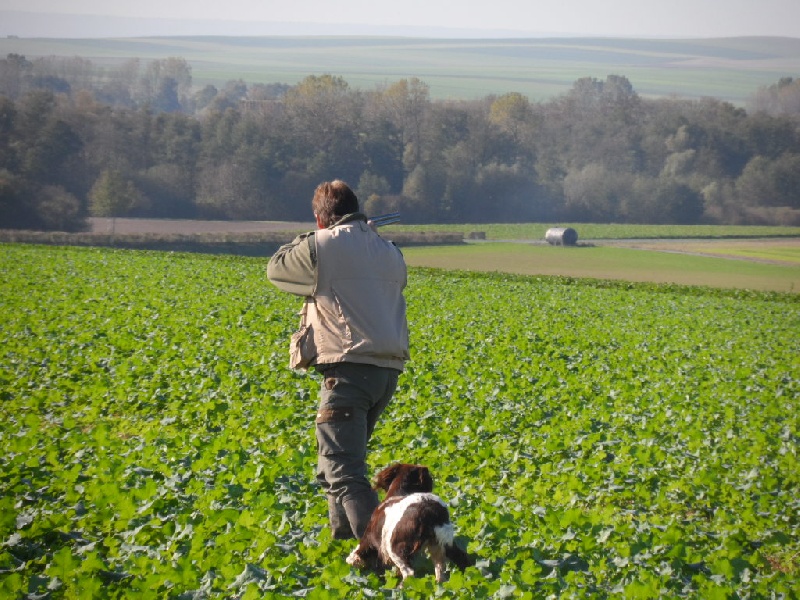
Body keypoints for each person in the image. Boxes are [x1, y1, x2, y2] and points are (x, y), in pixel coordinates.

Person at [267, 180, 410, 540]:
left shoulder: (322, 245)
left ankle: (378, 552)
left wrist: (316, 236)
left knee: (344, 472)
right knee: (332, 467)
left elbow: (277, 268)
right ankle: (343, 547)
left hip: (348, 371)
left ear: (320, 218)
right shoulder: (390, 250)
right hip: (385, 374)